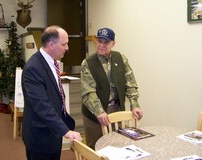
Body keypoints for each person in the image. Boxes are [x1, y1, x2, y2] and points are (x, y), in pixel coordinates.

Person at [21, 25, 82, 160]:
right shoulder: (33, 68)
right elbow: (42, 105)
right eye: (64, 44)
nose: (67, 48)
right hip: (40, 136)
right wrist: (66, 131)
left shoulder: (51, 62)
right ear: (51, 45)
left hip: (52, 133)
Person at [81, 27, 143, 149]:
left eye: (106, 42)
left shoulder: (121, 58)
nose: (101, 45)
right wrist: (99, 111)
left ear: (113, 44)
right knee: (96, 149)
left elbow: (130, 84)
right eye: (99, 41)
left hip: (117, 109)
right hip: (95, 114)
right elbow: (88, 92)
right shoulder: (88, 63)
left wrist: (134, 104)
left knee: (117, 146)